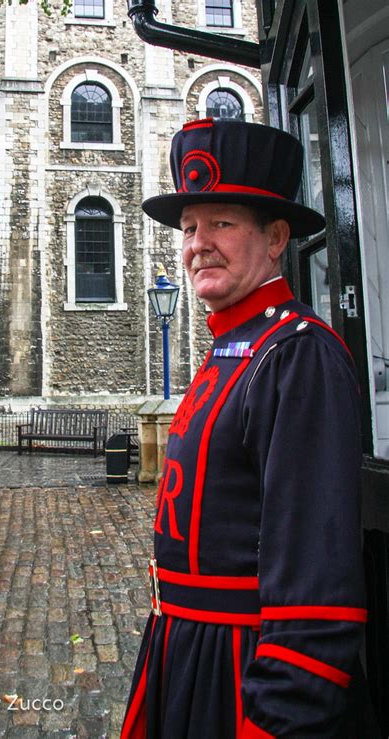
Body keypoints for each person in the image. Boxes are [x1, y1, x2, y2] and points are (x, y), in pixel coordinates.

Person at [122, 119, 373, 738]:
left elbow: (317, 584)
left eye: (222, 224)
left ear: (277, 236)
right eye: (188, 228)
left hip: (238, 673)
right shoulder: (235, 345)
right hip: (187, 655)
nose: (197, 244)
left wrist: (278, 717)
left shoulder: (297, 354)